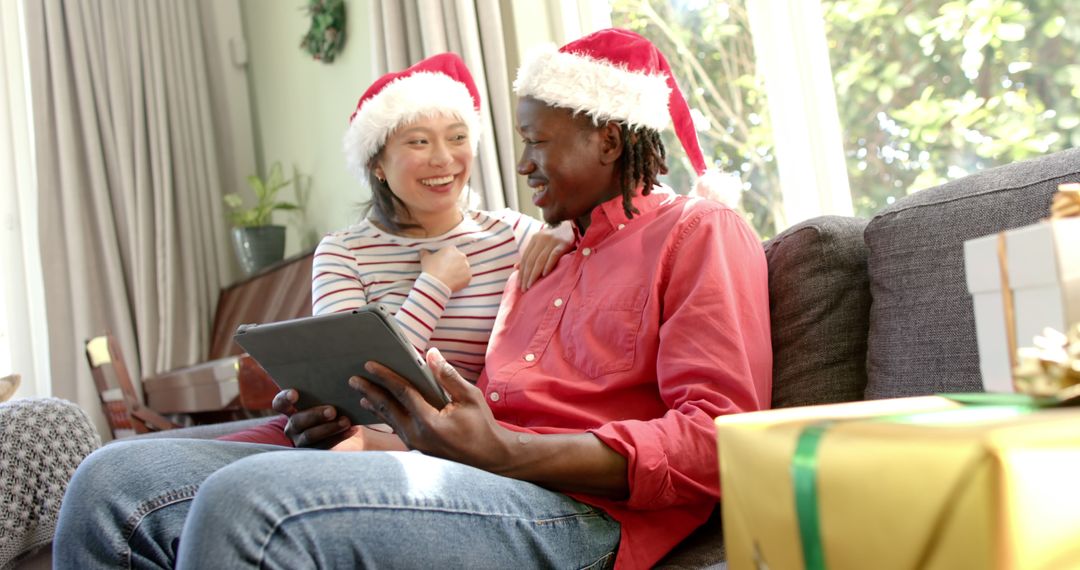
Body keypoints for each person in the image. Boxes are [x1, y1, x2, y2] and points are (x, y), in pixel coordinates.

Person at [54, 29, 772, 569]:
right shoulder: (547, 254)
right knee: (113, 479)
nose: (518, 164)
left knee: (249, 505)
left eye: (535, 143)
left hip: (581, 514)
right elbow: (481, 412)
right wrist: (366, 424)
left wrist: (510, 451)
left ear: (609, 141)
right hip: (463, 473)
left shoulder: (700, 232)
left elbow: (720, 440)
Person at [219, 53, 572, 447]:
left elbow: (633, 216)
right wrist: (434, 284)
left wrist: (569, 228)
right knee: (153, 470)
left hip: (436, 449)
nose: (443, 158)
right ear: (378, 166)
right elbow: (354, 383)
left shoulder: (511, 235)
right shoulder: (342, 252)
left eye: (457, 137)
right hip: (345, 439)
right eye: (419, 141)